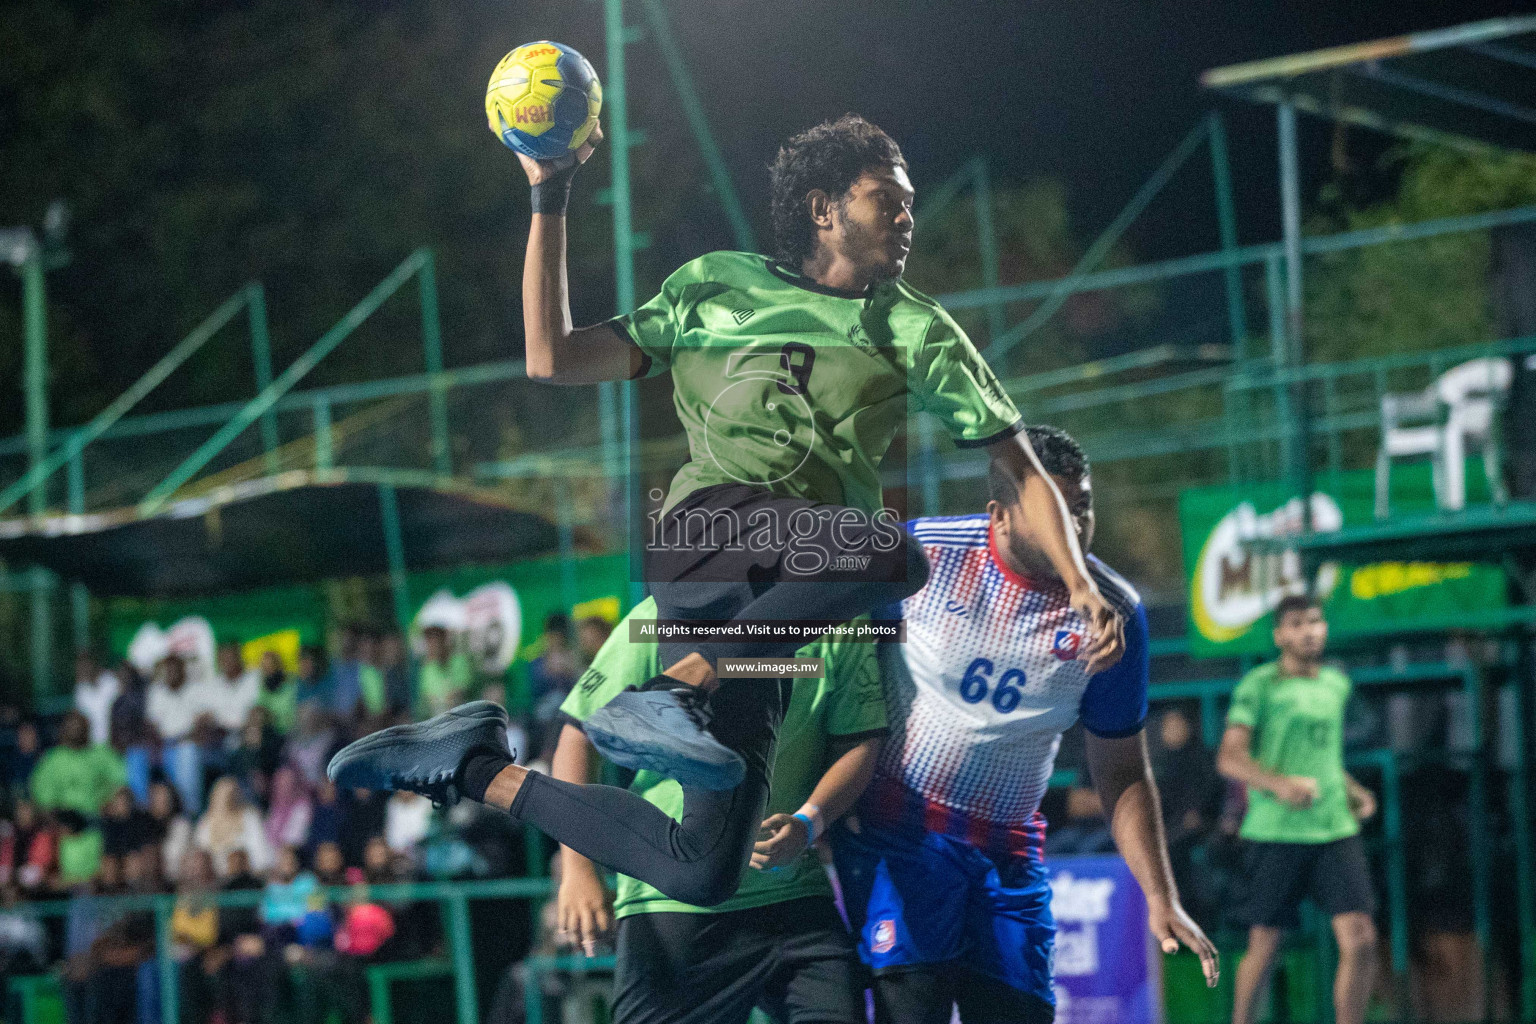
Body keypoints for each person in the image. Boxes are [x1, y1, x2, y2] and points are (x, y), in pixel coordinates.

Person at [328, 115, 1123, 899]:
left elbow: (1022, 469)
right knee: (894, 555)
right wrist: (552, 191)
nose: (908, 217)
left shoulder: (917, 328)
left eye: (910, 202)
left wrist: (1082, 585)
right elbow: (552, 355)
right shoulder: (714, 286)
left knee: (700, 867)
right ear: (824, 208)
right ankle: (677, 689)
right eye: (890, 199)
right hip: (704, 538)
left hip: (779, 608)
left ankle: (473, 766)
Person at [830, 425, 1217, 1023]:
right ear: (1001, 514)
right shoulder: (921, 556)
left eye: (1083, 507)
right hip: (898, 834)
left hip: (1008, 850)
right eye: (1056, 510)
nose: (1076, 526)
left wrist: (1161, 895)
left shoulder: (1115, 615)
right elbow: (826, 661)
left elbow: (1120, 767)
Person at [553, 595, 885, 1023]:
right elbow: (577, 738)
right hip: (672, 900)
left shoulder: (840, 612)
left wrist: (808, 821)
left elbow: (859, 742)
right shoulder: (662, 614)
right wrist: (578, 870)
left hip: (792, 895)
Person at [1217, 595, 1379, 1024]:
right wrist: (1281, 786)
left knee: (1360, 939)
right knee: (1265, 948)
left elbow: (1322, 756)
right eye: (1296, 623)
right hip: (1276, 833)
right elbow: (1230, 758)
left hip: (1334, 829)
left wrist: (1351, 788)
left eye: (1314, 621)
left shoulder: (1336, 684)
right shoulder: (1259, 685)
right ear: (1279, 635)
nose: (1308, 630)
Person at [30, 710, 128, 818]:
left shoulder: (102, 754)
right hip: (65, 827)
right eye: (71, 725)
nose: (76, 728)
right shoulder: (52, 760)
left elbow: (121, 781)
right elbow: (42, 798)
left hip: (98, 822)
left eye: (79, 725)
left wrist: (111, 804)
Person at [196, 777, 273, 877]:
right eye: (224, 795)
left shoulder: (250, 818)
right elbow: (201, 852)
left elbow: (261, 853)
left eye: (231, 794)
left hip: (246, 875)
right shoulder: (205, 822)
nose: (227, 799)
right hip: (214, 879)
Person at [416, 626, 472, 719]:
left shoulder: (460, 661)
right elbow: (427, 697)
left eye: (434, 642)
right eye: (428, 642)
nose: (431, 647)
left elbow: (462, 691)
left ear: (444, 641)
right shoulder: (427, 669)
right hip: (436, 719)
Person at [206, 642, 262, 735]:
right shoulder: (214, 684)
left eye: (230, 657)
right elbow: (210, 714)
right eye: (223, 658)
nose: (227, 662)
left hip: (249, 732)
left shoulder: (255, 677)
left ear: (239, 657)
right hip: (221, 734)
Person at [73, 652, 120, 748]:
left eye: (85, 666)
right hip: (91, 746)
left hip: (114, 744)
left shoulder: (112, 682)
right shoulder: (80, 690)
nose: (82, 670)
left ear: (93, 664)